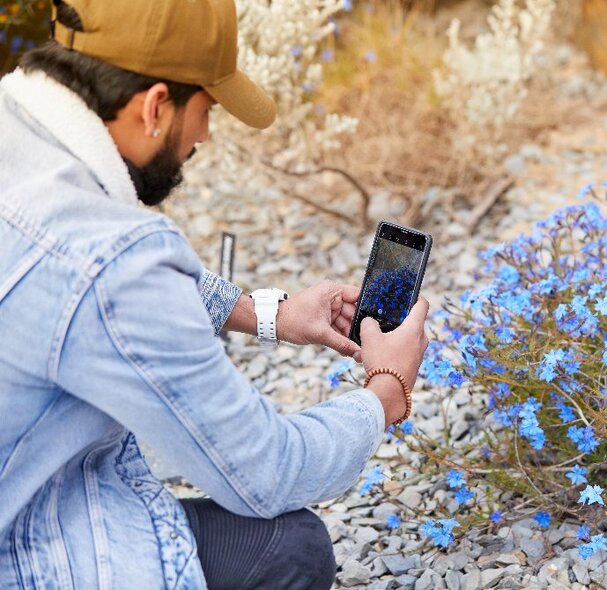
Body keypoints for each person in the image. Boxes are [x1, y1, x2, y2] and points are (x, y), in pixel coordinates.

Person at [0, 0, 429, 588]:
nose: (203, 133)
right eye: (205, 108)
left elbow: (88, 277)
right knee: (292, 547)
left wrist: (266, 314)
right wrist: (386, 390)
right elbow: (267, 470)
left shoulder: (20, 134)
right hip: (23, 550)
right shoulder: (112, 261)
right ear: (154, 106)